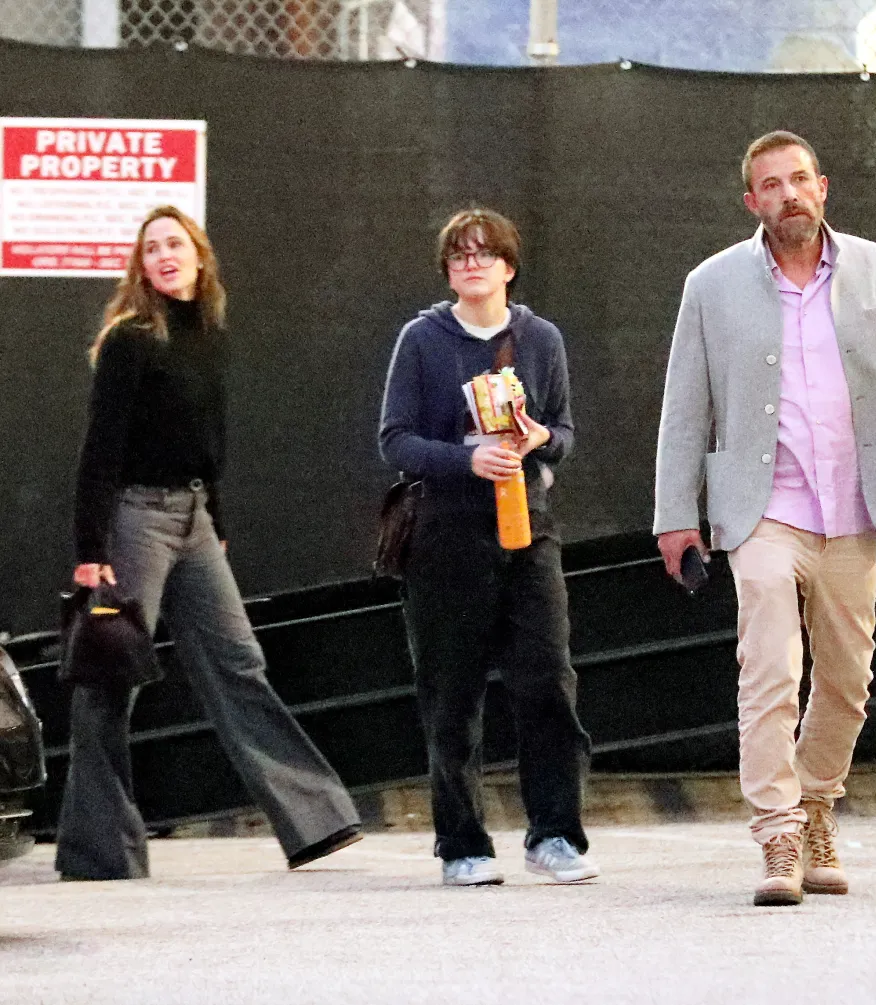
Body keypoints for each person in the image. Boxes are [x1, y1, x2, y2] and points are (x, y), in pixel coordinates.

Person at [654, 131, 876, 906]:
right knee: (772, 668)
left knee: (849, 681)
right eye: (770, 184)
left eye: (799, 180)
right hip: (763, 511)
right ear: (751, 201)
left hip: (857, 507)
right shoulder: (711, 284)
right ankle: (779, 831)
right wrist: (674, 515)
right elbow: (686, 405)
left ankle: (817, 799)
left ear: (824, 187)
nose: (788, 194)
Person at [56, 205, 362, 881]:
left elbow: (209, 438)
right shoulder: (130, 339)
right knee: (111, 677)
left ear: (199, 255)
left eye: (175, 243)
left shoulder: (210, 335)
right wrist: (90, 546)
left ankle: (314, 819)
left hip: (194, 518)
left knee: (239, 660)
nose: (164, 254)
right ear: (142, 267)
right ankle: (98, 847)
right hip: (135, 515)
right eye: (152, 248)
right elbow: (98, 450)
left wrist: (215, 520)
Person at [379, 208, 598, 887]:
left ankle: (556, 833)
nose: (472, 263)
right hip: (446, 529)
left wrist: (539, 440)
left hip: (529, 527)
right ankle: (462, 842)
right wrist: (462, 461)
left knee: (549, 679)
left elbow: (562, 428)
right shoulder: (422, 340)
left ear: (509, 266)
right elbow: (395, 440)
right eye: (459, 254)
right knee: (452, 692)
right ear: (447, 269)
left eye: (486, 252)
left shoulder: (541, 339)